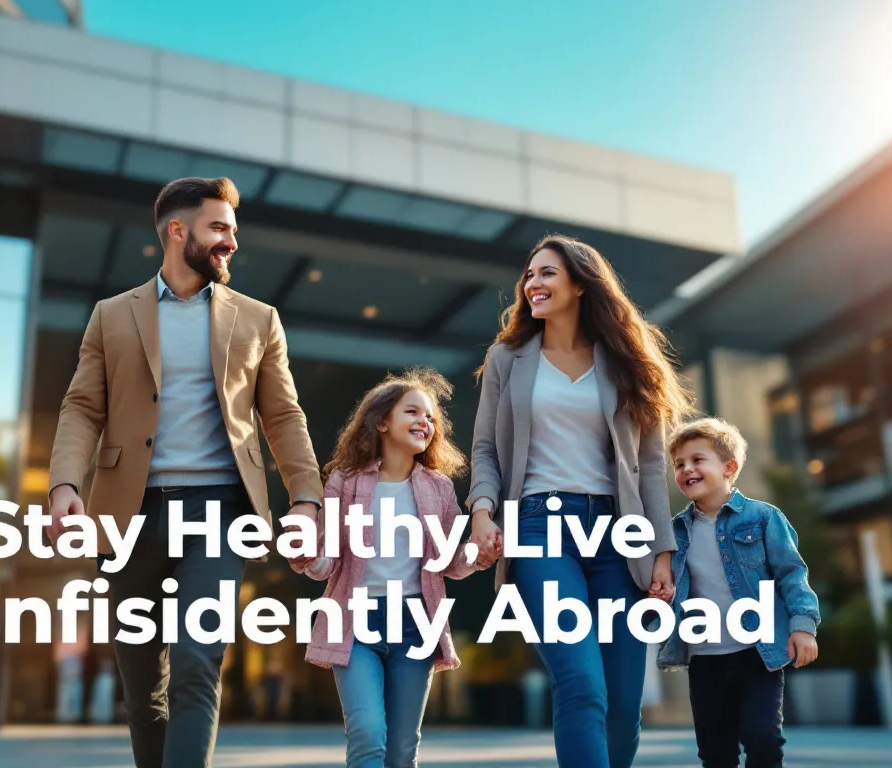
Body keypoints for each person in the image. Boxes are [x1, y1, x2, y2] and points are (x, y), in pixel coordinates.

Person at [45, 176, 324, 768]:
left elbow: (283, 415)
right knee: (142, 680)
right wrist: (65, 485)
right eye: (219, 228)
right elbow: (82, 407)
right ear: (178, 231)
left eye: (233, 230)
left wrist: (306, 500)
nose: (231, 242)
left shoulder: (258, 319)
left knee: (199, 660)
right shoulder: (112, 315)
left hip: (221, 512)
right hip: (130, 514)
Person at [467, 234, 690, 768]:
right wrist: (481, 511)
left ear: (580, 285)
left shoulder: (625, 361)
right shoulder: (508, 359)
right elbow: (484, 447)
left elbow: (652, 464)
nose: (532, 283)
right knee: (581, 684)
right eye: (530, 274)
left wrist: (661, 550)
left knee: (621, 707)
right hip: (540, 530)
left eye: (546, 273)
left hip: (620, 535)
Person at [290, 369, 498, 768]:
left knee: (403, 749)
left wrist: (479, 555)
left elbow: (449, 563)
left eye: (431, 416)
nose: (425, 421)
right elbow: (329, 559)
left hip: (415, 624)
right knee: (368, 734)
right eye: (413, 411)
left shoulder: (438, 487)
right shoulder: (343, 482)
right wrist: (308, 559)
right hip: (354, 623)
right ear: (382, 421)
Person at [657, 417, 821, 768]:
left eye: (697, 460)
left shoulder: (763, 518)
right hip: (704, 658)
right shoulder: (674, 532)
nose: (687, 469)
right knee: (715, 752)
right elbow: (670, 587)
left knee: (763, 739)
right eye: (679, 464)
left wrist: (803, 625)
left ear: (729, 467)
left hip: (756, 654)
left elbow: (792, 574)